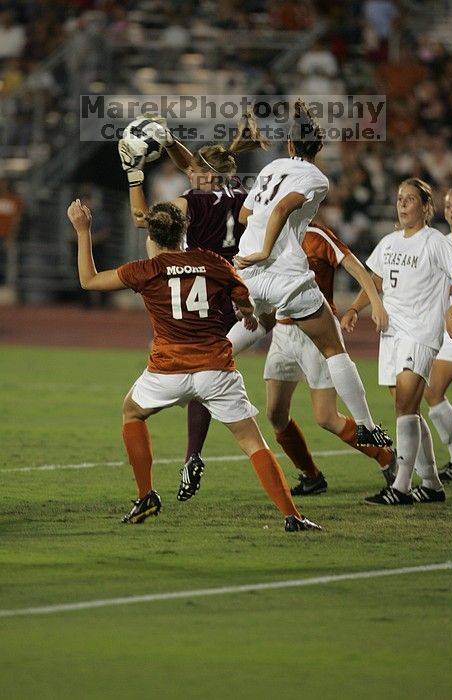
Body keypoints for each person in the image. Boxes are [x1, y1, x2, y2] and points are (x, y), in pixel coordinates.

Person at [67, 198, 321, 533]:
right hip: (215, 370)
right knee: (253, 443)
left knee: (132, 412)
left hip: (167, 371)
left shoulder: (144, 270)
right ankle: (292, 516)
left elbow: (89, 280)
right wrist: (245, 314)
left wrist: (83, 231)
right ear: (185, 231)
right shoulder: (212, 261)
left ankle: (146, 496)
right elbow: (242, 294)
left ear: (152, 238)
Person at [119, 114, 275, 502]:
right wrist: (169, 140)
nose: (187, 173)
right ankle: (193, 456)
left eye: (193, 170)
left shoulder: (190, 202)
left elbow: (143, 221)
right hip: (230, 288)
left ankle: (189, 459)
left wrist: (134, 174)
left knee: (192, 372)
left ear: (203, 175)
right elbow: (200, 166)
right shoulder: (239, 193)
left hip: (195, 288)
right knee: (210, 377)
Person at [234, 99, 392, 451]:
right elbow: (284, 206)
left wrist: (257, 248)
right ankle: (365, 425)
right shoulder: (317, 178)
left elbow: (246, 215)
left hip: (246, 271)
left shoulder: (271, 167)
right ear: (318, 148)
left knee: (254, 322)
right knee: (334, 346)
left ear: (289, 145)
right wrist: (267, 248)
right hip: (284, 275)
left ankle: (204, 363)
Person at [341, 178, 452, 505]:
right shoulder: (390, 242)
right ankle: (433, 484)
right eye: (399, 198)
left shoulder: (435, 241)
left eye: (410, 199)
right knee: (409, 409)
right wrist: (355, 308)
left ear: (426, 207)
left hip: (420, 333)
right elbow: (375, 282)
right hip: (391, 335)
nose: (402, 204)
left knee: (403, 408)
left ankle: (400, 487)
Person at [264, 221, 397, 496]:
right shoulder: (268, 233)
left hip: (316, 332)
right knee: (275, 413)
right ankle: (311, 475)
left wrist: (375, 302)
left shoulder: (316, 234)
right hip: (282, 334)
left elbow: (355, 266)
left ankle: (385, 456)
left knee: (326, 417)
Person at [423, 185, 452, 483]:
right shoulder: (443, 243)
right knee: (432, 390)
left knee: (432, 390)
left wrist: (451, 307)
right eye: (449, 205)